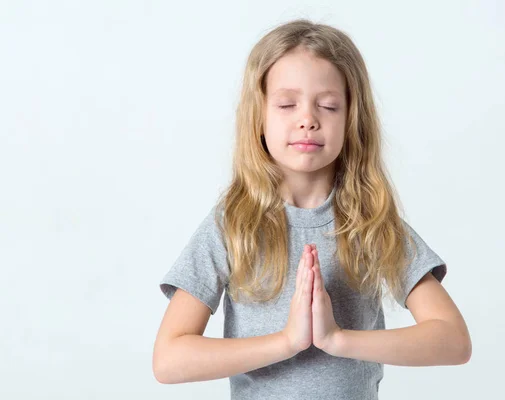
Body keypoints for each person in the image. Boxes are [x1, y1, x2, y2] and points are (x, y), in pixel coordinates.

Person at [152, 18, 471, 399]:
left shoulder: (370, 222)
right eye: (287, 104)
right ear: (260, 118)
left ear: (352, 120)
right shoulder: (232, 225)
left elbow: (453, 341)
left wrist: (337, 339)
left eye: (328, 105)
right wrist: (288, 341)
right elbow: (168, 360)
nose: (307, 119)